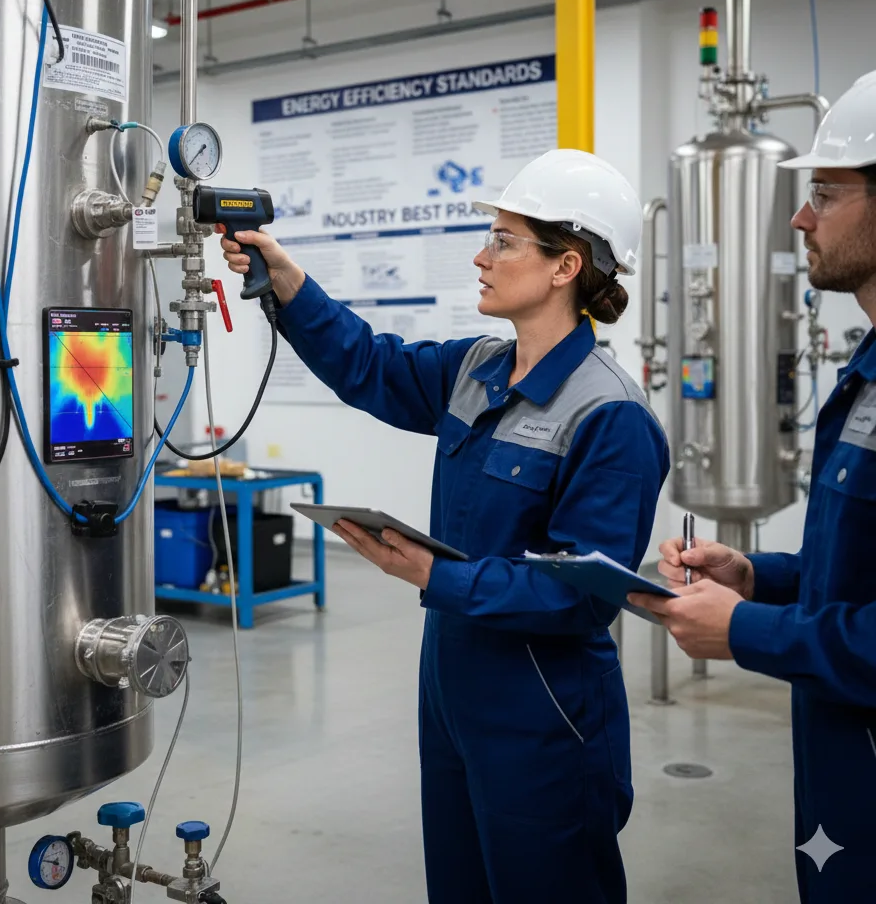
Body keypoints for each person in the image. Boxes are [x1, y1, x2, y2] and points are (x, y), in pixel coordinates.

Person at [219, 149, 669, 903]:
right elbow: (371, 365)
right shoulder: (477, 368)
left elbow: (584, 595)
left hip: (544, 710)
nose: (481, 256)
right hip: (452, 688)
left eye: (504, 241)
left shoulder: (610, 414)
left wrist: (434, 574)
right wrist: (289, 286)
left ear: (566, 266)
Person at [629, 71, 876, 903]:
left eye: (827, 193)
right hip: (844, 788)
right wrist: (758, 577)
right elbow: (856, 575)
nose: (800, 218)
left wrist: (749, 634)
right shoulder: (865, 375)